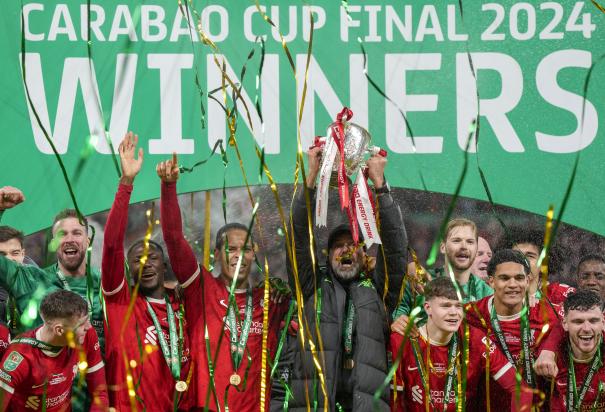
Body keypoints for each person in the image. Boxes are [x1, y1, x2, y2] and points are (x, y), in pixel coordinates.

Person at [156, 153, 290, 411]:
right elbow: (173, 238)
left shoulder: (269, 300)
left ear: (254, 255)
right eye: (231, 249)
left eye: (246, 249)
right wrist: (168, 186)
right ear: (217, 254)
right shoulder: (201, 287)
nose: (239, 255)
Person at [284, 146, 407, 411]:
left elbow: (396, 250)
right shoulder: (312, 287)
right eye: (338, 246)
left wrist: (381, 187)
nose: (346, 249)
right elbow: (297, 241)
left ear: (364, 254)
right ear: (327, 256)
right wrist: (310, 179)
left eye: (353, 244)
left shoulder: (378, 290)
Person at [101, 132, 193, 410]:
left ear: (165, 265)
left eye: (152, 256)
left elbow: (175, 238)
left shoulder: (185, 307)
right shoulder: (120, 304)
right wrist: (126, 182)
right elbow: (112, 245)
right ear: (128, 270)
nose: (145, 263)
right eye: (137, 260)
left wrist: (168, 187)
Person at [390, 277, 533, 411]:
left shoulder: (475, 339)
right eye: (446, 306)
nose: (454, 313)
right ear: (428, 308)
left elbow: (520, 389)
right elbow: (394, 402)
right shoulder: (402, 340)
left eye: (458, 306)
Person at [465, 249, 560, 410]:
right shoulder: (472, 314)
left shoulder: (546, 314)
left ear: (528, 280)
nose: (513, 284)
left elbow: (573, 323)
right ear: (491, 281)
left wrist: (549, 350)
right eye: (504, 278)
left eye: (519, 278)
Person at [0, 289, 108, 411]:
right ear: (60, 330)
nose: (88, 327)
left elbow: (100, 393)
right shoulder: (19, 357)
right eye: (82, 324)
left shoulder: (86, 336)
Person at [391, 218, 493, 334]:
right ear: (443, 247)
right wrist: (398, 321)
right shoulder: (420, 281)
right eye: (456, 240)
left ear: (475, 249)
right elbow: (399, 313)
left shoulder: (487, 294)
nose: (464, 246)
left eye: (470, 242)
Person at [535, 290, 605, 411]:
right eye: (578, 321)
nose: (587, 328)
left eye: (593, 321)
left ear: (603, 322)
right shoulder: (548, 357)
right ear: (565, 324)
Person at [44, 209, 104, 347]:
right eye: (62, 234)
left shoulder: (105, 283)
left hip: (100, 366)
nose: (70, 239)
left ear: (88, 241)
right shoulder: (39, 281)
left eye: (77, 233)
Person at [499, 227, 574, 305]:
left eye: (530, 256)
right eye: (516, 255)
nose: (522, 260)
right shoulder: (494, 296)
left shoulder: (561, 295)